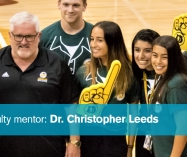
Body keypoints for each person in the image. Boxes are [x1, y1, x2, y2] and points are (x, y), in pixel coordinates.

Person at [0, 12, 80, 157]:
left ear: (38, 36)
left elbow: (71, 105)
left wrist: (74, 142)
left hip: (50, 150)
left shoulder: (55, 63)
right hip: (6, 150)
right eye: (18, 36)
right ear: (10, 35)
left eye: (29, 36)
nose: (24, 42)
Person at [75, 21, 140, 157]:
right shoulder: (83, 72)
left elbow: (133, 116)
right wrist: (73, 142)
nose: (93, 44)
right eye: (92, 39)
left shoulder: (129, 74)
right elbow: (73, 111)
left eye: (99, 40)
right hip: (87, 139)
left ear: (112, 43)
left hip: (115, 142)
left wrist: (129, 148)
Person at [150, 35, 187, 157]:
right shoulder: (164, 77)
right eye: (155, 55)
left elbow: (183, 128)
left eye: (164, 57)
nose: (158, 61)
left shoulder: (176, 85)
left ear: (174, 58)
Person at [39, 0, 93, 75]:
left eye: (76, 5)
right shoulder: (44, 36)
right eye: (66, 4)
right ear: (59, 5)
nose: (70, 10)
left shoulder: (96, 36)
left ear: (84, 6)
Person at [131, 29, 160, 157]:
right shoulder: (135, 76)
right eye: (137, 50)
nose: (141, 56)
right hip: (143, 135)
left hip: (165, 136)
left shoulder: (169, 77)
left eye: (147, 51)